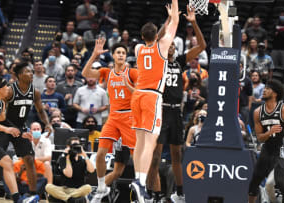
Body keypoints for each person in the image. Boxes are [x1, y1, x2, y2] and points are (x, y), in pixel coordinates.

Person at [146, 5, 206, 202]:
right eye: (168, 44)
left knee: (177, 154)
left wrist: (194, 22)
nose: (170, 46)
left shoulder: (179, 61)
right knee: (155, 157)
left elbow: (202, 46)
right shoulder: (157, 60)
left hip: (176, 113)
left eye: (173, 44)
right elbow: (156, 39)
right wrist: (170, 20)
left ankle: (180, 193)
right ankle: (152, 194)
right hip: (160, 111)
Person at [131, 1, 179, 202]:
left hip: (137, 95)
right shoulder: (162, 47)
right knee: (150, 144)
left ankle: (137, 179)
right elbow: (176, 21)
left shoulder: (138, 49)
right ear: (156, 36)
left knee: (139, 143)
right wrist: (173, 8)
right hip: (152, 97)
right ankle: (140, 183)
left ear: (143, 37)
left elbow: (158, 34)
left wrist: (167, 20)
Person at [82, 38, 138, 202]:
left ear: (126, 57)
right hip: (113, 117)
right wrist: (94, 55)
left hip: (129, 116)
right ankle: (100, 186)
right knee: (100, 154)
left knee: (136, 159)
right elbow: (85, 74)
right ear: (113, 56)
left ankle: (142, 190)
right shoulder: (107, 72)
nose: (121, 55)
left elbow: (143, 93)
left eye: (123, 53)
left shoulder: (132, 72)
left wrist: (130, 87)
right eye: (118, 52)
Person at [0, 62, 53, 200]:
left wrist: (48, 123)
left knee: (29, 159)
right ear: (20, 75)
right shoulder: (9, 91)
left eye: (32, 72)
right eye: (28, 72)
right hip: (5, 126)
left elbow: (40, 110)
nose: (31, 74)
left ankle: (33, 195)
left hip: (20, 128)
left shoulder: (35, 92)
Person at [0, 76, 39, 203]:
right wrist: (6, 130)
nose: (9, 88)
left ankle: (17, 199)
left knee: (7, 162)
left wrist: (20, 132)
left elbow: (4, 122)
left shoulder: (1, 104)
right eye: (6, 86)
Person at [45, 137, 94, 202]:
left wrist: (85, 155)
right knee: (48, 187)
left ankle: (66, 198)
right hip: (64, 189)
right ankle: (69, 199)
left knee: (88, 187)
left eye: (77, 146)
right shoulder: (63, 158)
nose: (75, 148)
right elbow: (69, 174)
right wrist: (67, 157)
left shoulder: (83, 159)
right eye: (73, 146)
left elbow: (91, 170)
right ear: (68, 146)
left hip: (78, 189)